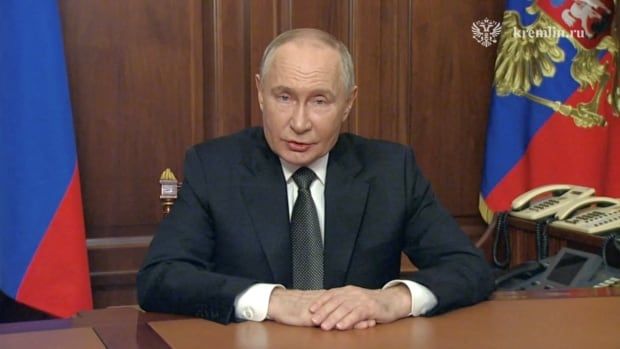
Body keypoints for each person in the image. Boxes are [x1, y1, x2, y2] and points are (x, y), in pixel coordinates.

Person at [137, 28, 494, 331]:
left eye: (320, 101)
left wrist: (392, 300)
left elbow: (469, 268)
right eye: (284, 97)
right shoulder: (214, 167)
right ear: (260, 92)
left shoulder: (390, 169)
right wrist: (272, 301)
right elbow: (160, 278)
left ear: (348, 103)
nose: (300, 123)